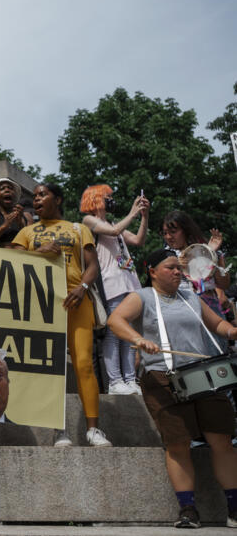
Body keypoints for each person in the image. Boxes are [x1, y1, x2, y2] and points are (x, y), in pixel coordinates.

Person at [106, 249, 237, 529]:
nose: (178, 272)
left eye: (179, 268)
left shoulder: (192, 297)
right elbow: (115, 320)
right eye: (170, 268)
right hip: (162, 378)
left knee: (222, 441)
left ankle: (234, 507)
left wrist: (232, 331)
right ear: (152, 271)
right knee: (178, 443)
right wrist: (139, 340)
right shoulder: (140, 296)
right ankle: (188, 509)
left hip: (203, 375)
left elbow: (217, 324)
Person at [9, 183, 111, 447]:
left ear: (58, 199)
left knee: (84, 365)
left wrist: (83, 288)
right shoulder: (26, 232)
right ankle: (59, 431)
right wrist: (38, 252)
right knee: (50, 368)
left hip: (76, 301)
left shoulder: (79, 228)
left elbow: (92, 266)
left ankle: (93, 430)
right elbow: (13, 263)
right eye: (36, 196)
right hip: (41, 305)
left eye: (43, 194)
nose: (38, 199)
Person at [80, 185, 149, 395]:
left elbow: (138, 240)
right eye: (108, 197)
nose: (111, 200)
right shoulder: (89, 221)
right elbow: (114, 231)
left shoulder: (112, 223)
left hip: (128, 283)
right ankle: (115, 381)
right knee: (112, 334)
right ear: (97, 199)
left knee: (128, 334)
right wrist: (133, 212)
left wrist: (144, 217)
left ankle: (130, 380)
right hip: (110, 285)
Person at [161, 210, 230, 318]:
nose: (168, 237)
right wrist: (176, 266)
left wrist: (211, 255)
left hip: (211, 307)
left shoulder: (204, 250)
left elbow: (224, 284)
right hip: (181, 309)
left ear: (185, 230)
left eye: (173, 232)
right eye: (165, 233)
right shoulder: (164, 256)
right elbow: (161, 287)